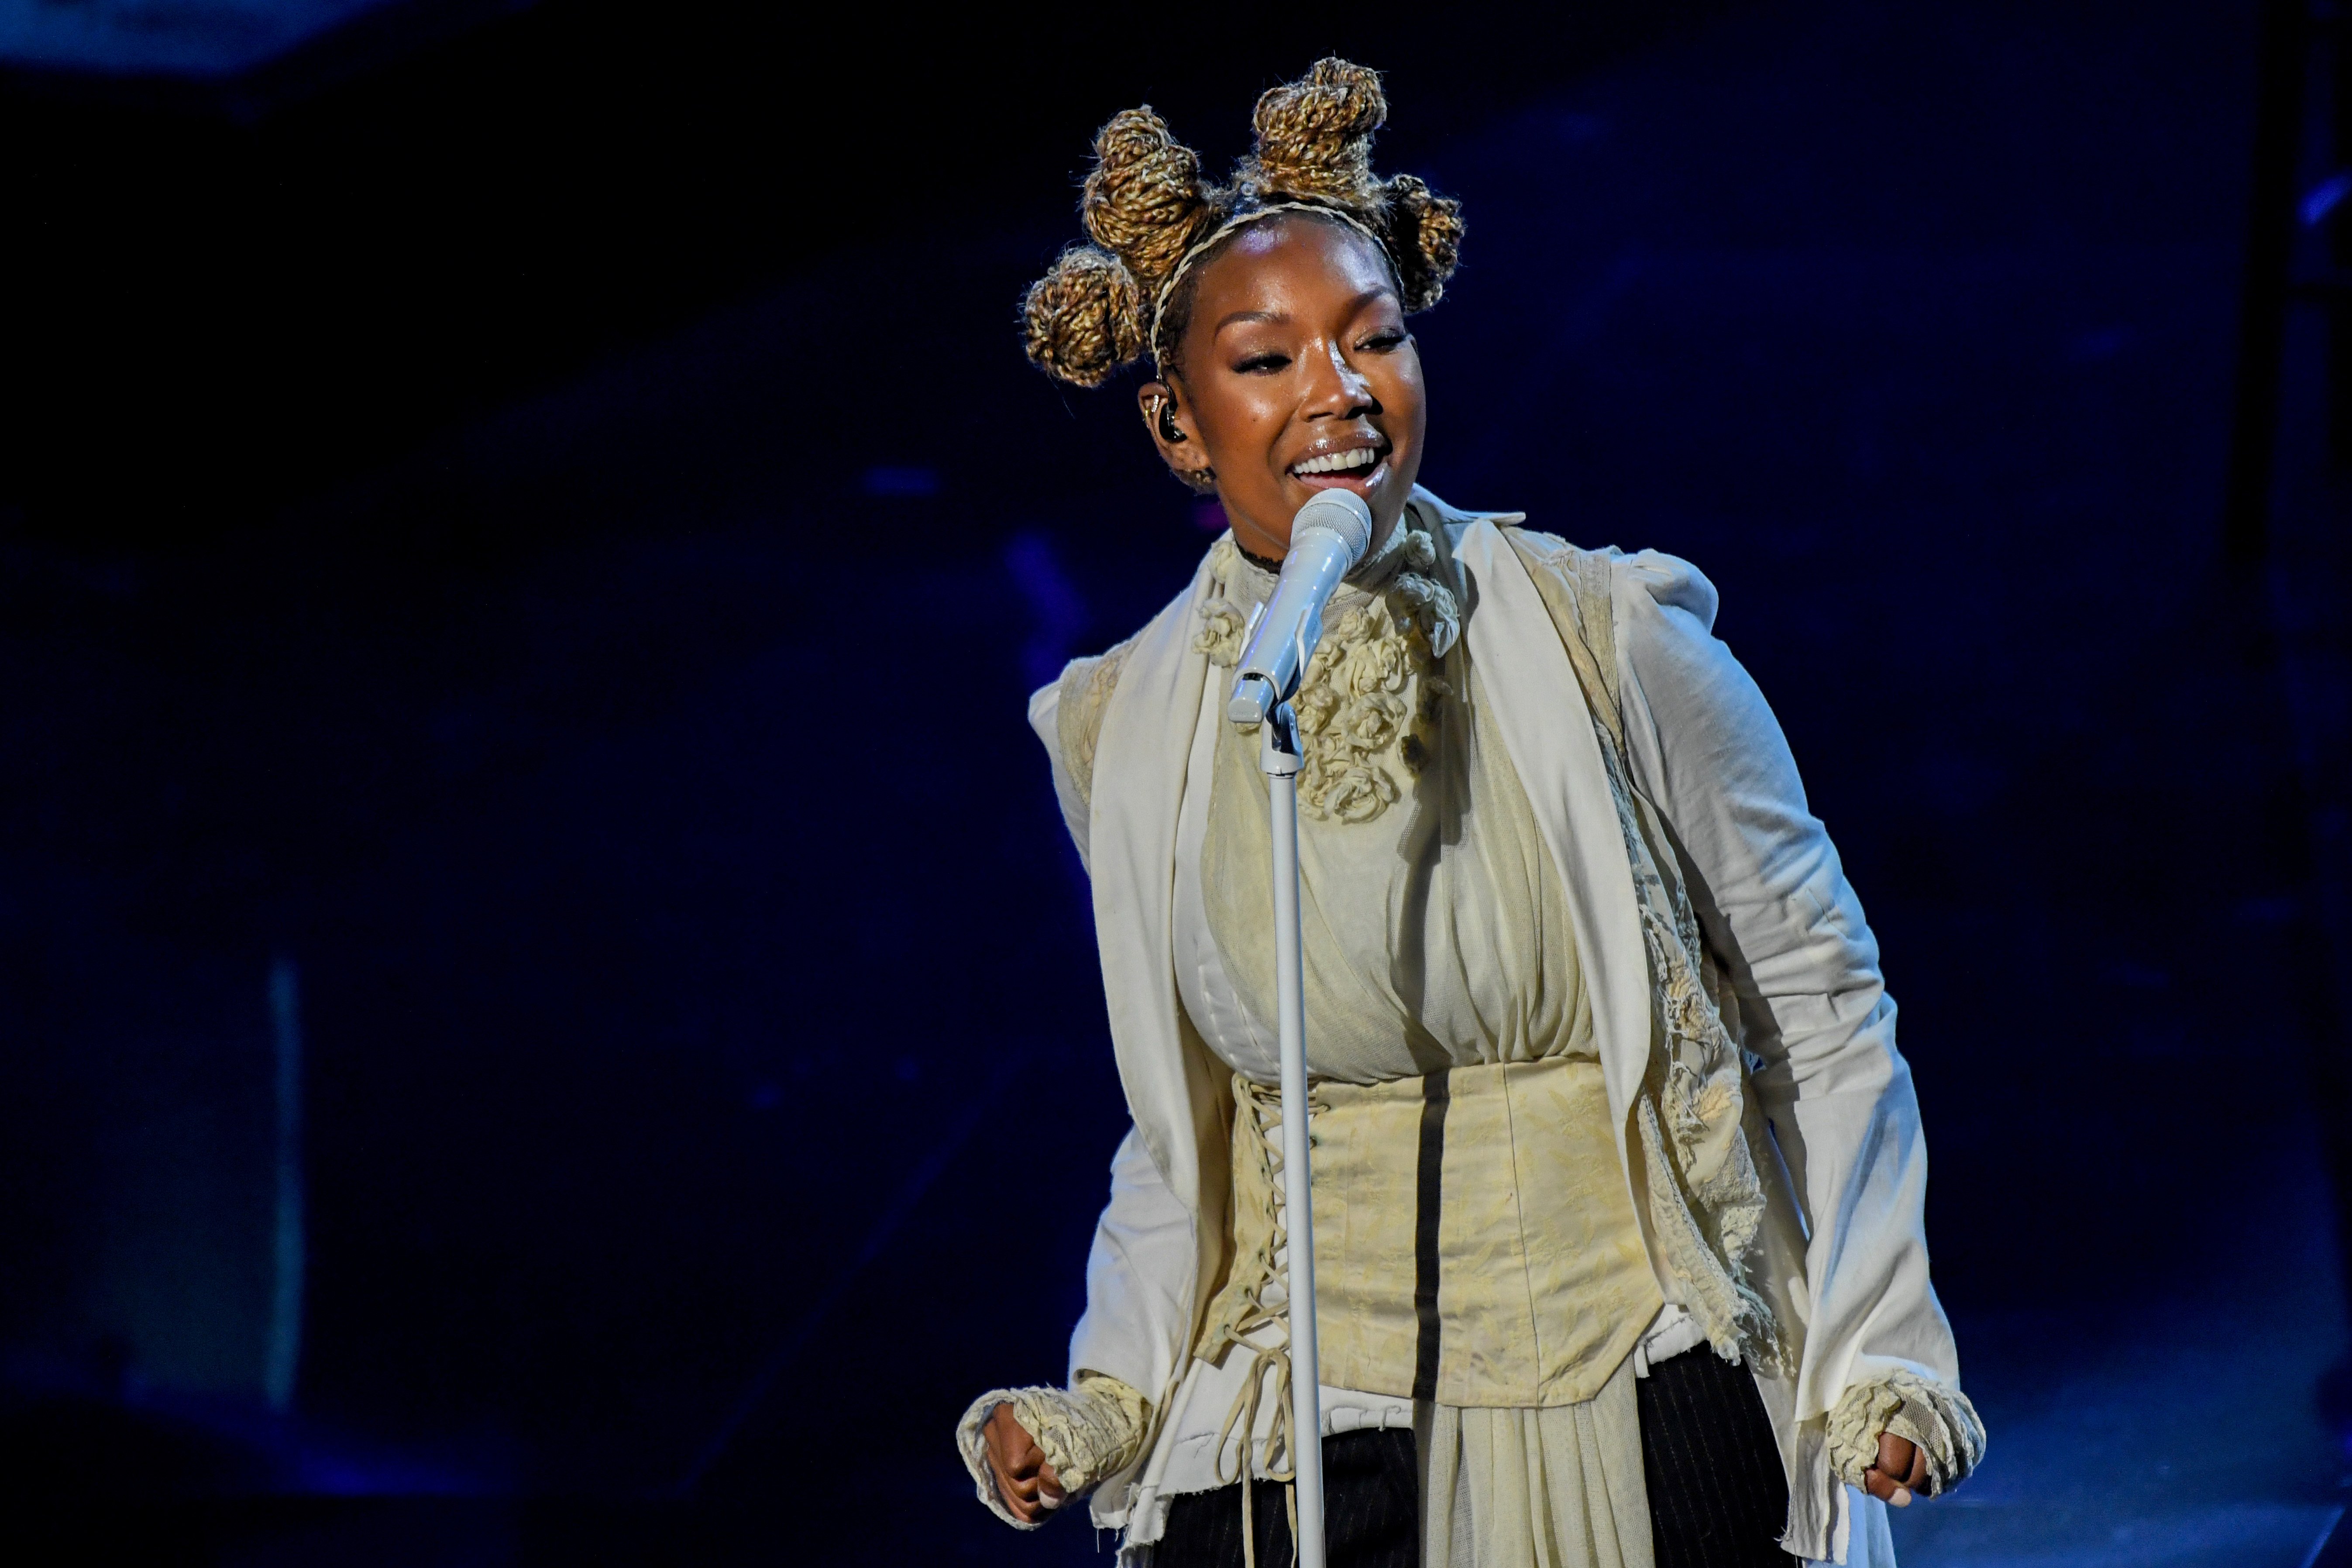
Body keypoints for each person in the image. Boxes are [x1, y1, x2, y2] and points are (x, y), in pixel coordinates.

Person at [955, 59, 1983, 1568]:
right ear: (1178, 426)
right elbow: (1191, 1127)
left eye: (1375, 341)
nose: (1341, 392)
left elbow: (1821, 1013)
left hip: (1631, 1348)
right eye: (1268, 360)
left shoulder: (1609, 640)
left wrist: (1878, 1352)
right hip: (1322, 1377)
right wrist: (1109, 1389)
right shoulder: (1126, 727)